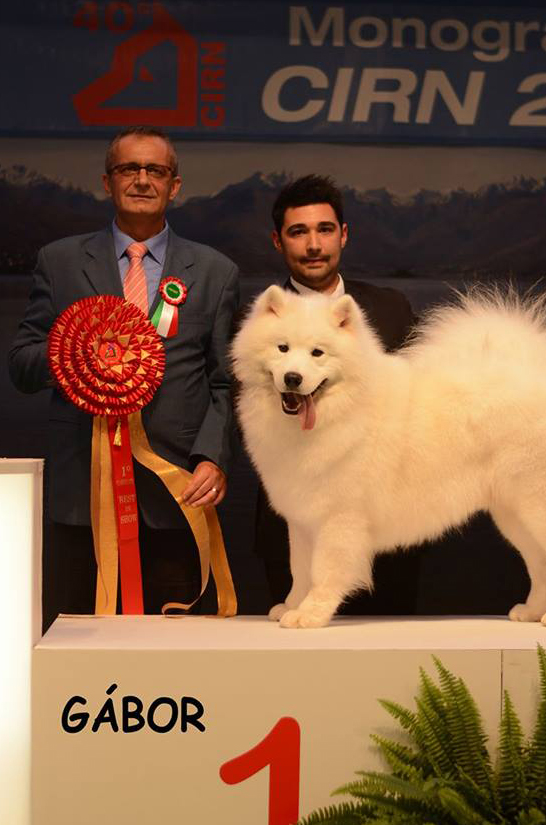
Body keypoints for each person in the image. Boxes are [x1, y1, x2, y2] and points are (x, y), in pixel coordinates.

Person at [8, 126, 239, 628]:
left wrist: (212, 460)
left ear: (174, 185)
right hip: (82, 497)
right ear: (106, 181)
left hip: (177, 492)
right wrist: (75, 357)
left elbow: (224, 382)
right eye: (128, 169)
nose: (141, 180)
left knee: (176, 656)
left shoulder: (216, 272)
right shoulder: (60, 260)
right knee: (77, 647)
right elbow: (22, 365)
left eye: (154, 170)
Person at [255, 174, 422, 615]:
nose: (313, 244)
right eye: (298, 232)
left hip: (388, 528)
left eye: (324, 230)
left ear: (343, 235)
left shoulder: (391, 309)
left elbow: (422, 407)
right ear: (278, 241)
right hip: (293, 530)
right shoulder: (254, 320)